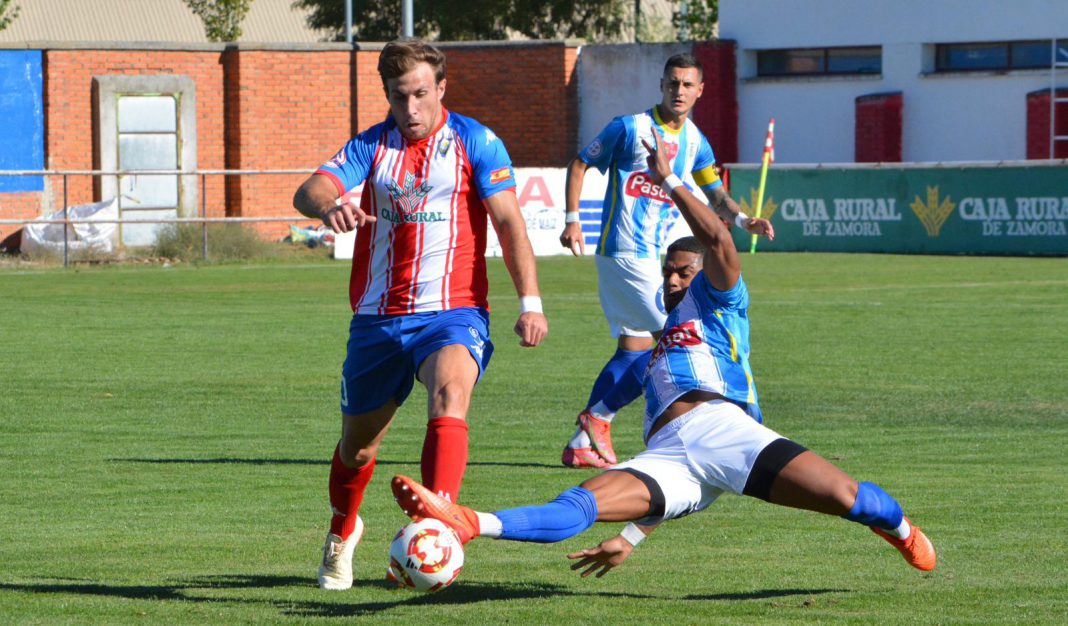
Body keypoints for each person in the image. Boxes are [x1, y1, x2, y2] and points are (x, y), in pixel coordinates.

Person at [390, 130, 937, 578]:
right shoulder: (656, 347)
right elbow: (676, 476)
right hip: (671, 455)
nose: (673, 281)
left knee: (851, 499)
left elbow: (720, 243)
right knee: (579, 504)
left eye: (683, 272)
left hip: (729, 431)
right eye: (668, 273)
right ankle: (466, 522)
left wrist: (670, 180)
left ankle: (901, 529)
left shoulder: (721, 302)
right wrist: (631, 536)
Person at [293, 39, 549, 591]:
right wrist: (331, 203)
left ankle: (438, 531)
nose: (409, 109)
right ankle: (342, 531)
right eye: (397, 96)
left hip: (453, 310)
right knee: (358, 447)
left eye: (419, 94)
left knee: (450, 395)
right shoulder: (370, 146)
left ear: (441, 88)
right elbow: (309, 190)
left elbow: (508, 223)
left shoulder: (476, 141)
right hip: (378, 319)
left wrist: (530, 302)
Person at [558, 53, 772, 469]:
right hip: (623, 250)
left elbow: (714, 194)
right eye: (673, 83)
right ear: (662, 85)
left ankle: (584, 438)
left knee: (635, 345)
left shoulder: (695, 141)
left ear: (699, 90)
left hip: (653, 257)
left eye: (687, 85)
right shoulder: (630, 127)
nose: (679, 91)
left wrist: (744, 219)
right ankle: (599, 418)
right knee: (673, 338)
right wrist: (572, 219)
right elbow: (581, 162)